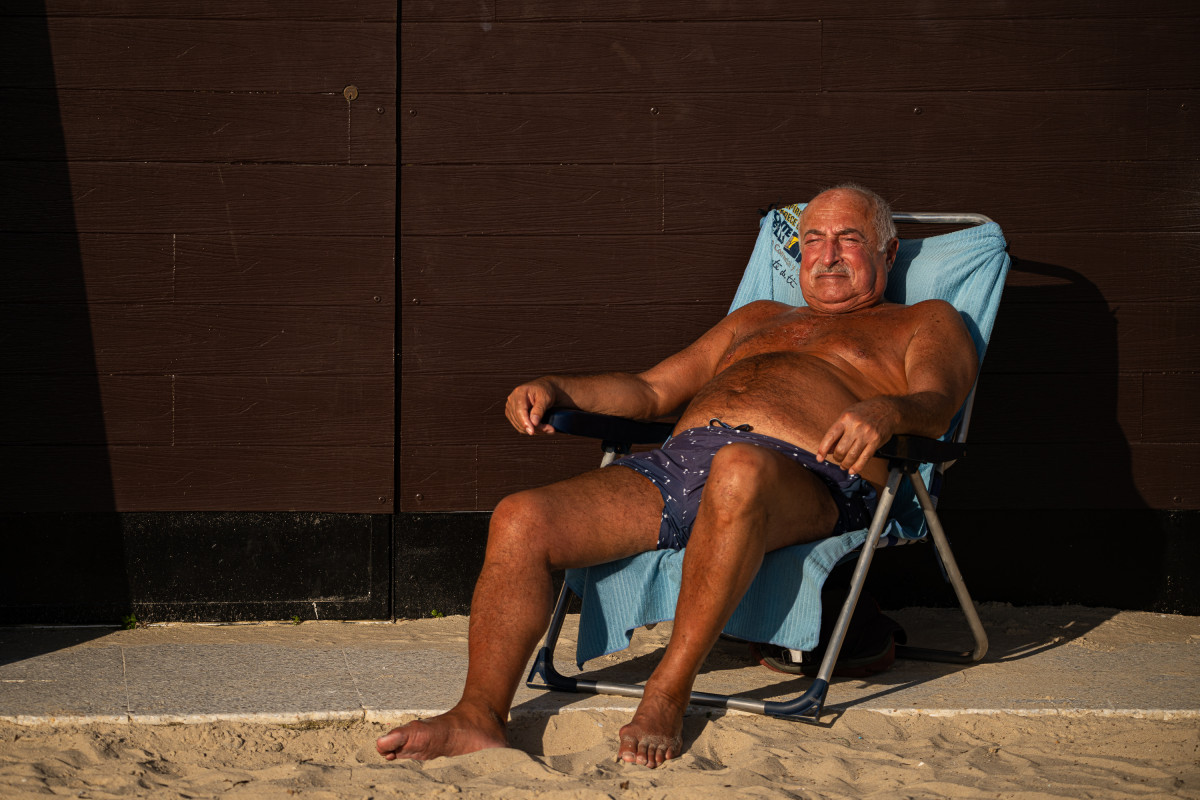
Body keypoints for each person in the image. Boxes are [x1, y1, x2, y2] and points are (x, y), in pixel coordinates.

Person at [377, 185, 978, 768]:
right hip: (681, 464)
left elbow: (937, 402)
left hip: (811, 477)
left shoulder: (923, 321)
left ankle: (667, 691)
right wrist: (557, 388)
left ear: (888, 252)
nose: (827, 254)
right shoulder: (757, 317)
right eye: (813, 239)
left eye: (849, 239)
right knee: (521, 517)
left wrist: (888, 411)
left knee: (738, 466)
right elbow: (651, 390)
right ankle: (478, 715)